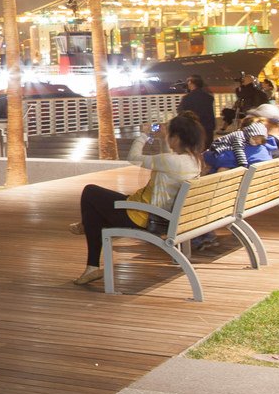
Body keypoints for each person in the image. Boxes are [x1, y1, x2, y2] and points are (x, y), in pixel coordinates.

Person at [70, 112, 206, 286]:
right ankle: (91, 267)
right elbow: (166, 160)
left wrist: (144, 135)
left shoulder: (172, 161)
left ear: (177, 138)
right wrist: (164, 140)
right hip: (159, 214)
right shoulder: (194, 161)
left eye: (170, 134)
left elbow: (133, 157)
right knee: (94, 213)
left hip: (143, 216)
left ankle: (88, 241)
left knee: (90, 193)